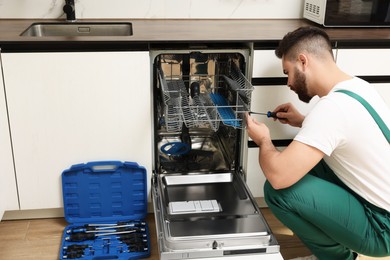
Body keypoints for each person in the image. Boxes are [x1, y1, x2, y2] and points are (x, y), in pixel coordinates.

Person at [246, 26, 390, 260]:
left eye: (287, 72)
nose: (288, 83)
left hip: (382, 228)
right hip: (383, 206)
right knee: (306, 160)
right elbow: (347, 134)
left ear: (303, 61)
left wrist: (264, 141)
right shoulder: (358, 87)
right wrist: (304, 121)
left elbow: (278, 176)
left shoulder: (331, 109)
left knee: (278, 191)